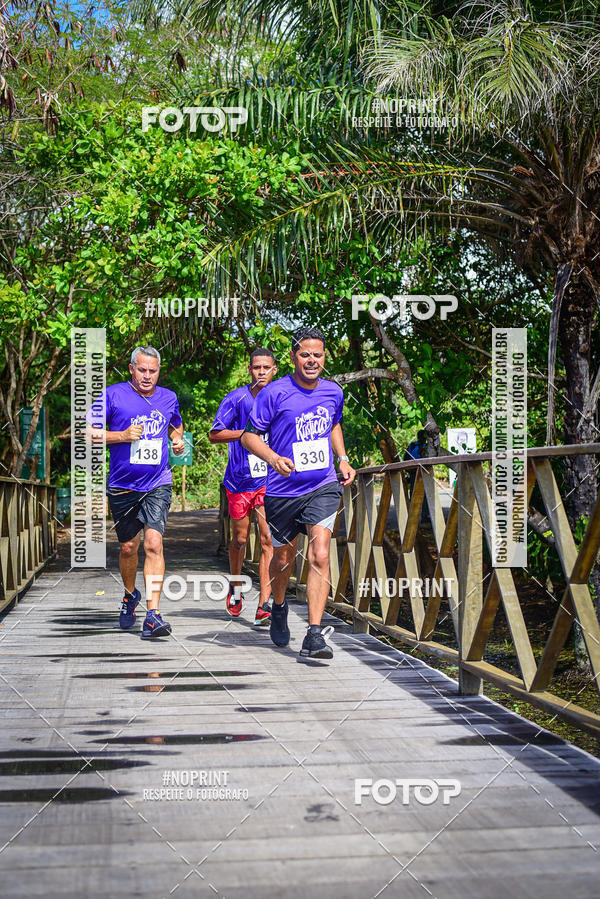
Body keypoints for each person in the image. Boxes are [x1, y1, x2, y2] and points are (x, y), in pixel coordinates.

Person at [241, 326, 355, 660]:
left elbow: (333, 423)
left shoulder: (333, 392)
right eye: (304, 354)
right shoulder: (274, 393)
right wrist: (273, 458)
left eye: (317, 354)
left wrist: (343, 458)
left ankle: (315, 634)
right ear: (293, 357)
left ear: (324, 357)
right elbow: (250, 436)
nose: (311, 360)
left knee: (320, 552)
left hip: (321, 485)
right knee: (283, 558)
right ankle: (278, 606)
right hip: (282, 490)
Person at [87, 346, 185, 638]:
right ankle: (130, 594)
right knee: (129, 547)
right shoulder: (112, 394)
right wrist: (122, 436)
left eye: (152, 371)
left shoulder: (168, 397)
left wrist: (178, 442)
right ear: (131, 369)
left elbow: (176, 426)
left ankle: (153, 614)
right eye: (142, 370)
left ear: (158, 370)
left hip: (157, 482)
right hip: (122, 484)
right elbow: (88, 432)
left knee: (153, 544)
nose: (147, 376)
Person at [209, 349, 278, 625]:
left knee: (267, 540)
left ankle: (264, 603)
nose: (261, 372)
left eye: (266, 367)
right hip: (240, 479)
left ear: (275, 370)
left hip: (269, 479)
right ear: (250, 369)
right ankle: (236, 585)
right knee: (239, 539)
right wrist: (247, 435)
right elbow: (215, 434)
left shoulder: (282, 397)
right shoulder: (236, 398)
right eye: (257, 367)